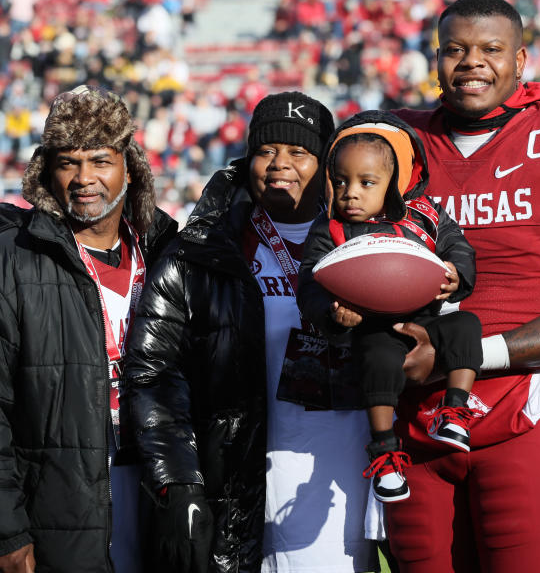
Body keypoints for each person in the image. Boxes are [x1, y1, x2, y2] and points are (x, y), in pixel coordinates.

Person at [387, 0, 540, 571]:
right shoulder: (397, 141)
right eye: (455, 50)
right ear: (436, 59)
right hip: (410, 409)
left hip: (521, 401)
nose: (472, 63)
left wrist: (465, 354)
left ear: (521, 61)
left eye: (491, 49)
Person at [124, 93, 383, 573]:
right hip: (231, 477)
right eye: (267, 151)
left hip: (334, 469)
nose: (280, 164)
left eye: (299, 152)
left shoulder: (373, 240)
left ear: (326, 162)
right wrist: (179, 480)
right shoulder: (200, 250)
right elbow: (155, 374)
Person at [0, 85, 177, 572]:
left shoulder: (167, 252)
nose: (84, 178)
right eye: (67, 162)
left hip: (156, 483)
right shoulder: (15, 259)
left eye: (100, 160)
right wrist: (7, 531)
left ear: (128, 165)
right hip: (60, 497)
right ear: (46, 171)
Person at [297, 110, 482, 503]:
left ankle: (455, 410)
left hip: (426, 320)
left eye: (367, 183)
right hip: (374, 328)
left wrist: (456, 274)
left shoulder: (426, 214)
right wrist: (333, 311)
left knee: (467, 325)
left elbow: (459, 247)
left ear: (394, 183)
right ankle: (383, 449)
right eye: (341, 182)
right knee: (377, 357)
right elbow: (309, 283)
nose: (351, 192)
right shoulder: (329, 228)